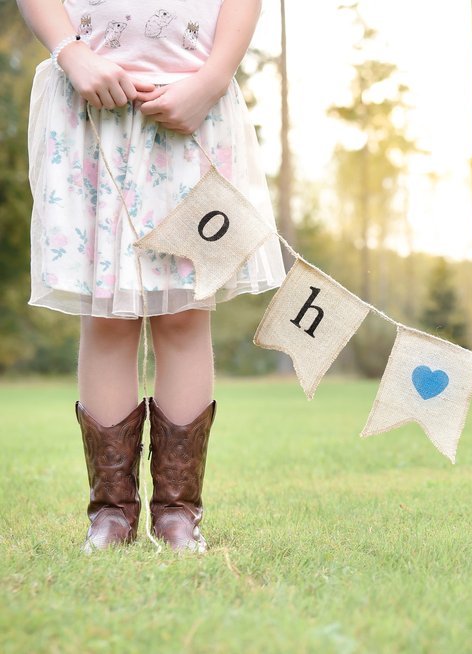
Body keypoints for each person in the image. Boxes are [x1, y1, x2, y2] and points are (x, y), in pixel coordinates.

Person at [16, 0, 285, 551]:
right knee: (107, 320)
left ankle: (178, 513)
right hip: (90, 115)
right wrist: (71, 52)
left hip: (189, 116)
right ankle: (110, 514)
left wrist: (212, 79)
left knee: (184, 317)